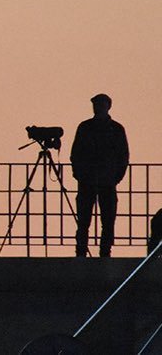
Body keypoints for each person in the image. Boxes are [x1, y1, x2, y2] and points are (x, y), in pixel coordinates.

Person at [70, 93, 130, 257]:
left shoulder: (115, 129)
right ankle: (81, 250)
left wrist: (116, 177)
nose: (97, 107)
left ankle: (105, 250)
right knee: (84, 219)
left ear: (107, 106)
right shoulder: (85, 127)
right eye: (96, 104)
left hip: (106, 180)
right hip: (88, 180)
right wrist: (79, 174)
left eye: (100, 104)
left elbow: (123, 155)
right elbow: (76, 153)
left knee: (108, 220)